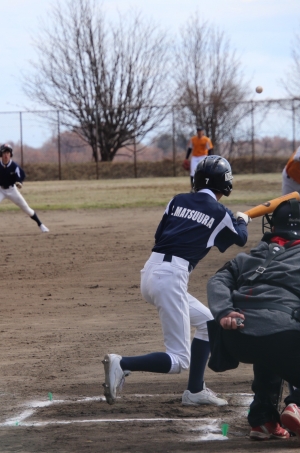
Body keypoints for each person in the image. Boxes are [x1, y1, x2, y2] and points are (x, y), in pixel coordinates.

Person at [102, 156, 249, 406]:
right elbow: (241, 238)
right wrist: (242, 220)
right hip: (171, 277)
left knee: (209, 322)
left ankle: (195, 391)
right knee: (179, 360)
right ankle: (122, 363)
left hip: (151, 272)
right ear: (225, 184)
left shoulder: (177, 200)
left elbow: (160, 234)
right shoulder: (220, 212)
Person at [207, 199, 300, 447]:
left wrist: (225, 312)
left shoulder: (247, 257)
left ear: (272, 228)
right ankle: (299, 408)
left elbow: (217, 280)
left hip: (236, 336)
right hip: (282, 334)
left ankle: (263, 419)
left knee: (269, 356)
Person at [0, 144, 49, 235]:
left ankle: (41, 225)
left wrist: (20, 183)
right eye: (4, 153)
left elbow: (20, 176)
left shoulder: (14, 166)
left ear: (11, 154)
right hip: (0, 190)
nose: (6, 155)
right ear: (1, 154)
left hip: (12, 190)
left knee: (26, 209)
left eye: (8, 153)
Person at [183, 127, 214, 191]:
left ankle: (206, 187)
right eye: (198, 131)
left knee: (204, 172)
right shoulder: (193, 139)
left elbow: (210, 150)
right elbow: (189, 149)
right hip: (195, 157)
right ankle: (193, 188)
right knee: (192, 172)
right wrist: (186, 158)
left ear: (203, 132)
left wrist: (209, 158)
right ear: (197, 132)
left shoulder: (206, 139)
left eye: (200, 131)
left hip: (203, 156)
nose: (199, 132)